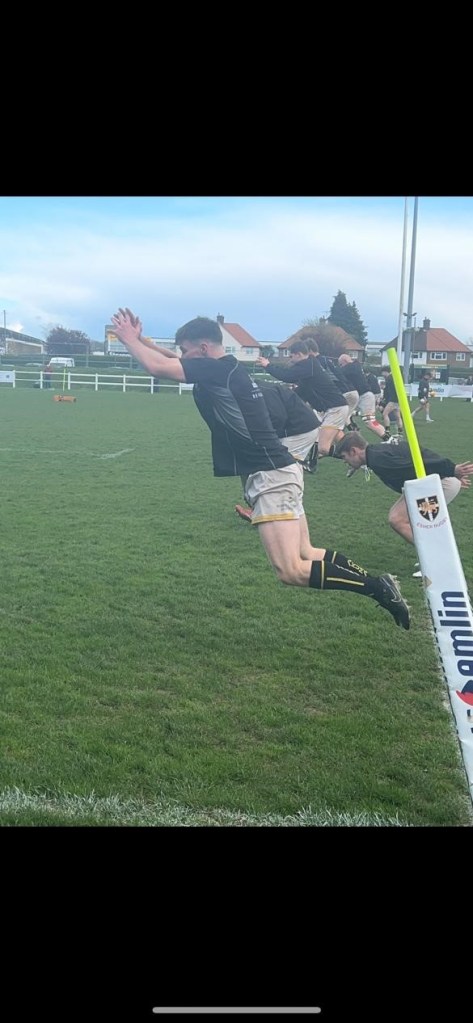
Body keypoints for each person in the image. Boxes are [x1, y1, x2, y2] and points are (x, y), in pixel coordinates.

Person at [110, 308, 410, 628]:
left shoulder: (217, 371)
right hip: (278, 469)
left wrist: (128, 339)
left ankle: (378, 588)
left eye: (186, 350)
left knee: (290, 570)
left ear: (202, 349)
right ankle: (381, 583)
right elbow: (169, 356)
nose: (181, 356)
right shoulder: (225, 368)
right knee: (307, 551)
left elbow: (158, 366)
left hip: (271, 476)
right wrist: (142, 339)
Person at [335, 431, 473, 575]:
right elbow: (418, 453)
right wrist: (448, 473)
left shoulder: (377, 459)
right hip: (434, 483)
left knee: (398, 519)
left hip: (438, 484)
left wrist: (450, 470)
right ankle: (432, 558)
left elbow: (413, 465)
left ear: (353, 451)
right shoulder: (377, 451)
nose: (345, 462)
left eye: (344, 457)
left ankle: (434, 561)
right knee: (404, 519)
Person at [234, 381, 321, 522]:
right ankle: (264, 508)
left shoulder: (260, 391)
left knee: (282, 468)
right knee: (278, 467)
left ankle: (288, 509)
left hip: (300, 430)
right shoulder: (249, 388)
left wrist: (266, 441)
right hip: (294, 428)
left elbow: (277, 417)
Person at [256, 342, 349, 458]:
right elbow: (301, 392)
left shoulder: (307, 365)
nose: (290, 360)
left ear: (299, 355)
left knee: (323, 448)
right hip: (332, 408)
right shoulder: (309, 366)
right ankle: (354, 450)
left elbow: (287, 376)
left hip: (335, 408)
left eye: (291, 356)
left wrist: (268, 365)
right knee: (331, 436)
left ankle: (354, 456)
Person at [338, 354, 391, 441]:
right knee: (345, 417)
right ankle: (355, 434)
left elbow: (338, 372)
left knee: (370, 423)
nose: (341, 367)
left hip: (365, 397)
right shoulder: (355, 366)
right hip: (361, 396)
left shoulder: (352, 366)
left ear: (345, 361)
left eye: (341, 364)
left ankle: (389, 439)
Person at [380, 368, 404, 437]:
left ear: (385, 372)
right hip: (398, 399)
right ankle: (400, 432)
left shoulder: (389, 378)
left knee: (385, 414)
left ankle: (387, 431)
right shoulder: (397, 377)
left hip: (392, 400)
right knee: (398, 417)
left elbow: (387, 390)